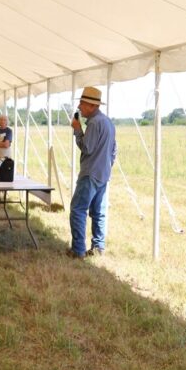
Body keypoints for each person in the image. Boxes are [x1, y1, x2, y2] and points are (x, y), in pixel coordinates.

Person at [69, 86, 117, 259]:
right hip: (103, 173)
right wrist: (106, 166)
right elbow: (113, 151)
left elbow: (87, 148)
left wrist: (77, 130)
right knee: (98, 212)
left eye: (82, 104)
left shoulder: (95, 123)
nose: (80, 108)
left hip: (90, 173)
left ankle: (78, 250)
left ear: (91, 105)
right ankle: (98, 247)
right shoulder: (108, 122)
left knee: (78, 210)